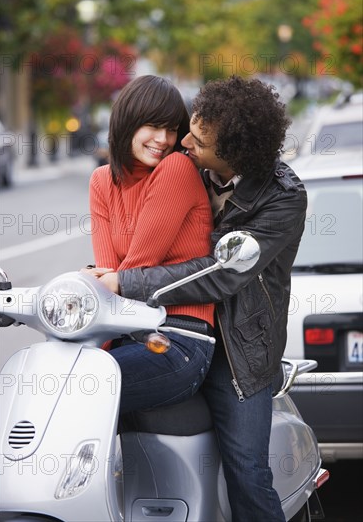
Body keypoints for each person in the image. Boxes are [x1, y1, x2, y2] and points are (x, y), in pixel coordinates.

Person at [98, 75, 308, 521]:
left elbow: (218, 276)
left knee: (248, 474)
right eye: (189, 127)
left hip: (239, 348)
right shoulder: (186, 162)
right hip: (164, 330)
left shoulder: (283, 199)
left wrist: (125, 282)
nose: (184, 141)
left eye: (198, 139)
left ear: (231, 154)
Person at [84, 74, 215, 414]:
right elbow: (108, 274)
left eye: (171, 129)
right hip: (131, 334)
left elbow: (131, 273)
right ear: (127, 122)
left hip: (181, 339)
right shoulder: (101, 181)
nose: (164, 139)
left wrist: (107, 282)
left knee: (79, 388)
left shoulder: (176, 168)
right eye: (153, 126)